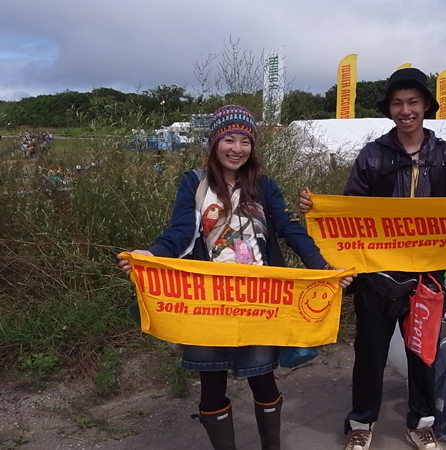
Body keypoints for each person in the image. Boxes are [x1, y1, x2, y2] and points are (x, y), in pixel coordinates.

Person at [299, 68, 446, 450]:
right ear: (389, 109)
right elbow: (348, 210)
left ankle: (421, 422)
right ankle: (361, 423)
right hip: (377, 276)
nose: (405, 110)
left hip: (427, 277)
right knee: (369, 354)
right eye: (397, 103)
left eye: (412, 102)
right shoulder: (373, 155)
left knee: (423, 353)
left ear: (426, 106)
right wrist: (317, 209)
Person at [118, 105, 353, 450]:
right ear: (215, 142)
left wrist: (323, 268)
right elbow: (180, 232)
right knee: (212, 385)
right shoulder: (195, 184)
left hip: (258, 297)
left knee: (264, 380)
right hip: (208, 299)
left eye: (245, 141)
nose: (237, 148)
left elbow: (289, 229)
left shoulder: (264, 186)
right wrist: (152, 255)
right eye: (229, 139)